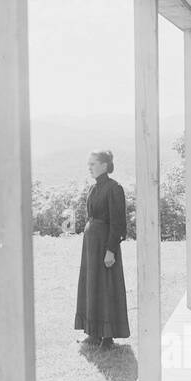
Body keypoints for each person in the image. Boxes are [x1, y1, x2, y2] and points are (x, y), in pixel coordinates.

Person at [74, 149, 130, 348]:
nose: (89, 167)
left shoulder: (114, 188)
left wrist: (111, 250)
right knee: (92, 286)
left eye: (93, 164)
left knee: (106, 286)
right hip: (91, 245)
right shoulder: (93, 188)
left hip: (104, 244)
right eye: (88, 164)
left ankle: (107, 336)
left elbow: (118, 223)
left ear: (105, 165)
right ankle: (93, 333)